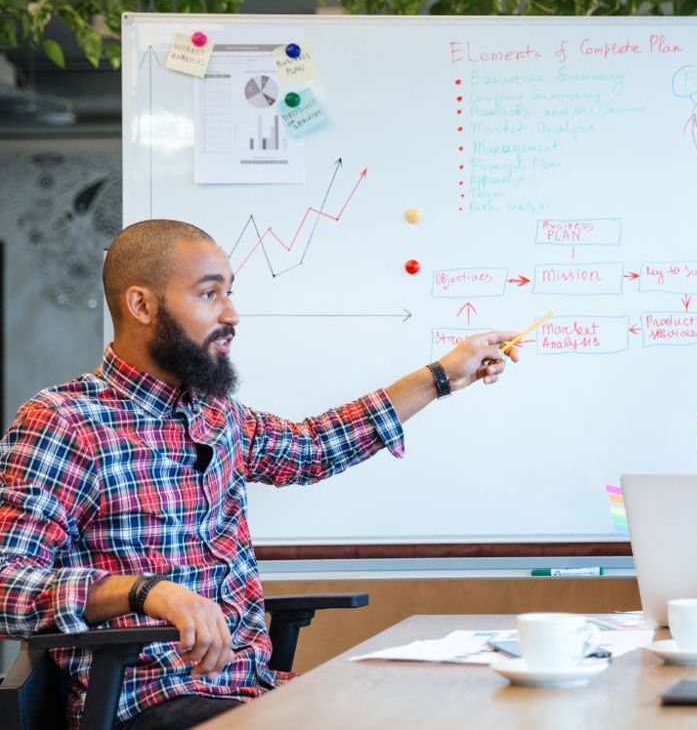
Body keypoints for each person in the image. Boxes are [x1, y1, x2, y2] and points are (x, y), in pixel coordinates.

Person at [0, 220, 523, 729]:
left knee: (420, 707)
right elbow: (7, 584)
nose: (232, 313)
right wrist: (145, 592)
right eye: (210, 294)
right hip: (150, 703)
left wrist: (440, 377)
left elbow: (312, 448)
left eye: (229, 293)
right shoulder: (64, 421)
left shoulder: (216, 414)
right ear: (142, 305)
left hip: (250, 688)